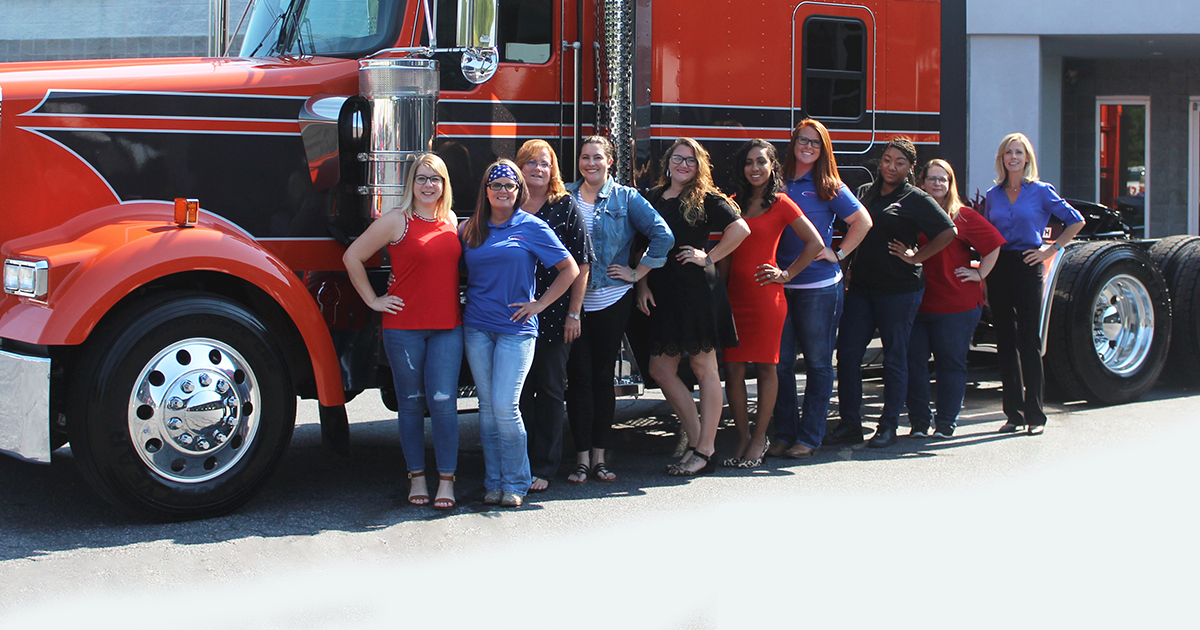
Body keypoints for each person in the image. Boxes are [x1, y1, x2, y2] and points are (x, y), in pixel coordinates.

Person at [342, 153, 463, 509]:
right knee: (410, 405)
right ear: (411, 183)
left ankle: (446, 480)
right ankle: (416, 477)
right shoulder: (397, 220)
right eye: (422, 178)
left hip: (447, 326)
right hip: (404, 327)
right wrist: (373, 300)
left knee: (444, 403)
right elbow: (352, 257)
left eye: (436, 179)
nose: (429, 185)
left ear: (445, 185)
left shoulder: (450, 219)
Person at [460, 160, 579, 507]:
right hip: (477, 327)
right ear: (485, 191)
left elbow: (569, 268)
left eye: (509, 186)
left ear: (518, 191)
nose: (502, 191)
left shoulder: (530, 226)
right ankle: (493, 480)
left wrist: (539, 305)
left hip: (517, 330)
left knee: (506, 406)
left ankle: (516, 480)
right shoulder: (470, 229)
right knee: (486, 408)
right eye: (495, 185)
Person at [825, 137, 957, 449]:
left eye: (899, 162)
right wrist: (846, 267)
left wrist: (916, 257)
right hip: (861, 289)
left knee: (895, 358)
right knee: (847, 354)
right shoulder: (866, 193)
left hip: (898, 290)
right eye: (887, 160)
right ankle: (850, 424)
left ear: (911, 168)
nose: (891, 167)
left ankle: (888, 426)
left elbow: (948, 231)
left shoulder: (915, 198)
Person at [638, 137, 750, 475]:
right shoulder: (654, 198)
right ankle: (700, 441)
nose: (683, 165)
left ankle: (704, 449)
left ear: (699, 165)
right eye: (677, 158)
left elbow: (740, 229)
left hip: (698, 290)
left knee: (704, 369)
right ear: (668, 161)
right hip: (664, 291)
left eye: (690, 160)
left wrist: (709, 257)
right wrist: (641, 284)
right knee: (660, 369)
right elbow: (644, 244)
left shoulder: (707, 198)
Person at [564, 136, 673, 484]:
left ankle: (599, 458)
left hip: (611, 301)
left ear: (610, 162)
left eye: (597, 157)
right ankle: (580, 459)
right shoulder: (564, 195)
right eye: (585, 157)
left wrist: (637, 272)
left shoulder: (626, 198)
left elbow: (663, 235)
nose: (590, 163)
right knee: (578, 380)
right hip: (573, 303)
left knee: (601, 380)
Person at [769, 120, 873, 459]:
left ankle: (810, 437)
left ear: (823, 148)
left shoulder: (829, 185)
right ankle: (784, 433)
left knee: (817, 363)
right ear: (793, 141)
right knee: (781, 365)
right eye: (803, 140)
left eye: (815, 142)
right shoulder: (777, 180)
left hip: (819, 286)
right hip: (781, 285)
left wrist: (839, 253)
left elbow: (863, 221)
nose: (808, 146)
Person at [721, 138, 823, 469]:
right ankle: (742, 436)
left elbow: (815, 242)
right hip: (733, 297)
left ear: (771, 166)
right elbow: (724, 255)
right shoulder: (732, 204)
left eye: (761, 162)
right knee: (733, 371)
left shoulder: (781, 203)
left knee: (767, 368)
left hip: (766, 297)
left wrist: (786, 273)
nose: (755, 168)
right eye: (749, 162)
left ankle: (761, 436)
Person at [983, 133, 1084, 435]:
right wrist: (985, 278)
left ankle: (1035, 415)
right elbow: (989, 238)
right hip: (999, 267)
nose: (1013, 157)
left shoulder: (1040, 191)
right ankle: (1012, 414)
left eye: (1018, 152)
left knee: (1029, 339)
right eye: (1007, 153)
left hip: (1028, 266)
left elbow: (1075, 220)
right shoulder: (993, 194)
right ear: (1002, 158)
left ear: (1027, 158)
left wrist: (1050, 250)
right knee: (1004, 341)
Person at [901, 159, 1006, 438]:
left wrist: (980, 273)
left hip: (955, 305)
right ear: (921, 183)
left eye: (942, 179)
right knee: (914, 364)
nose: (937, 184)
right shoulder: (911, 213)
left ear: (950, 185)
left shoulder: (963, 216)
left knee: (950, 364)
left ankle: (946, 423)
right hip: (918, 304)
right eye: (931, 178)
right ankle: (920, 423)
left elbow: (994, 244)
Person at [515, 140, 594, 492]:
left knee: (548, 390)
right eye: (530, 162)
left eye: (544, 163)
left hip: (555, 316)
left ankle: (545, 466)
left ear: (553, 170)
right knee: (518, 391)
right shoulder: (507, 203)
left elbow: (582, 264)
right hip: (513, 316)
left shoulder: (564, 206)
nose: (537, 169)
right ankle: (520, 461)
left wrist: (574, 313)